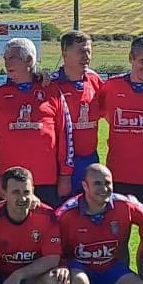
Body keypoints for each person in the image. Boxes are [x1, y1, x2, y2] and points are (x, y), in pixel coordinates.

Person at [55, 162, 143, 284]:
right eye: (97, 183)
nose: (104, 188)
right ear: (85, 186)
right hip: (79, 268)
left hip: (111, 268)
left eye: (108, 183)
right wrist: (62, 265)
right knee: (78, 283)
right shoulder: (66, 213)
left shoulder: (124, 204)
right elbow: (53, 241)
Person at [0, 38, 73, 202]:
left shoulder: (51, 91)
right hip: (9, 183)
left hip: (45, 182)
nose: (6, 62)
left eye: (12, 58)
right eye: (5, 58)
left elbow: (65, 136)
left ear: (29, 60)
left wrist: (65, 175)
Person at [95, 33, 143, 208]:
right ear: (131, 58)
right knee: (119, 224)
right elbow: (99, 115)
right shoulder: (111, 87)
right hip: (119, 175)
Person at [47, 30, 105, 187]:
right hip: (61, 163)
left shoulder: (94, 80)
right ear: (65, 53)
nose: (86, 57)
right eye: (81, 51)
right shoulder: (51, 85)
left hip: (90, 159)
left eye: (88, 52)